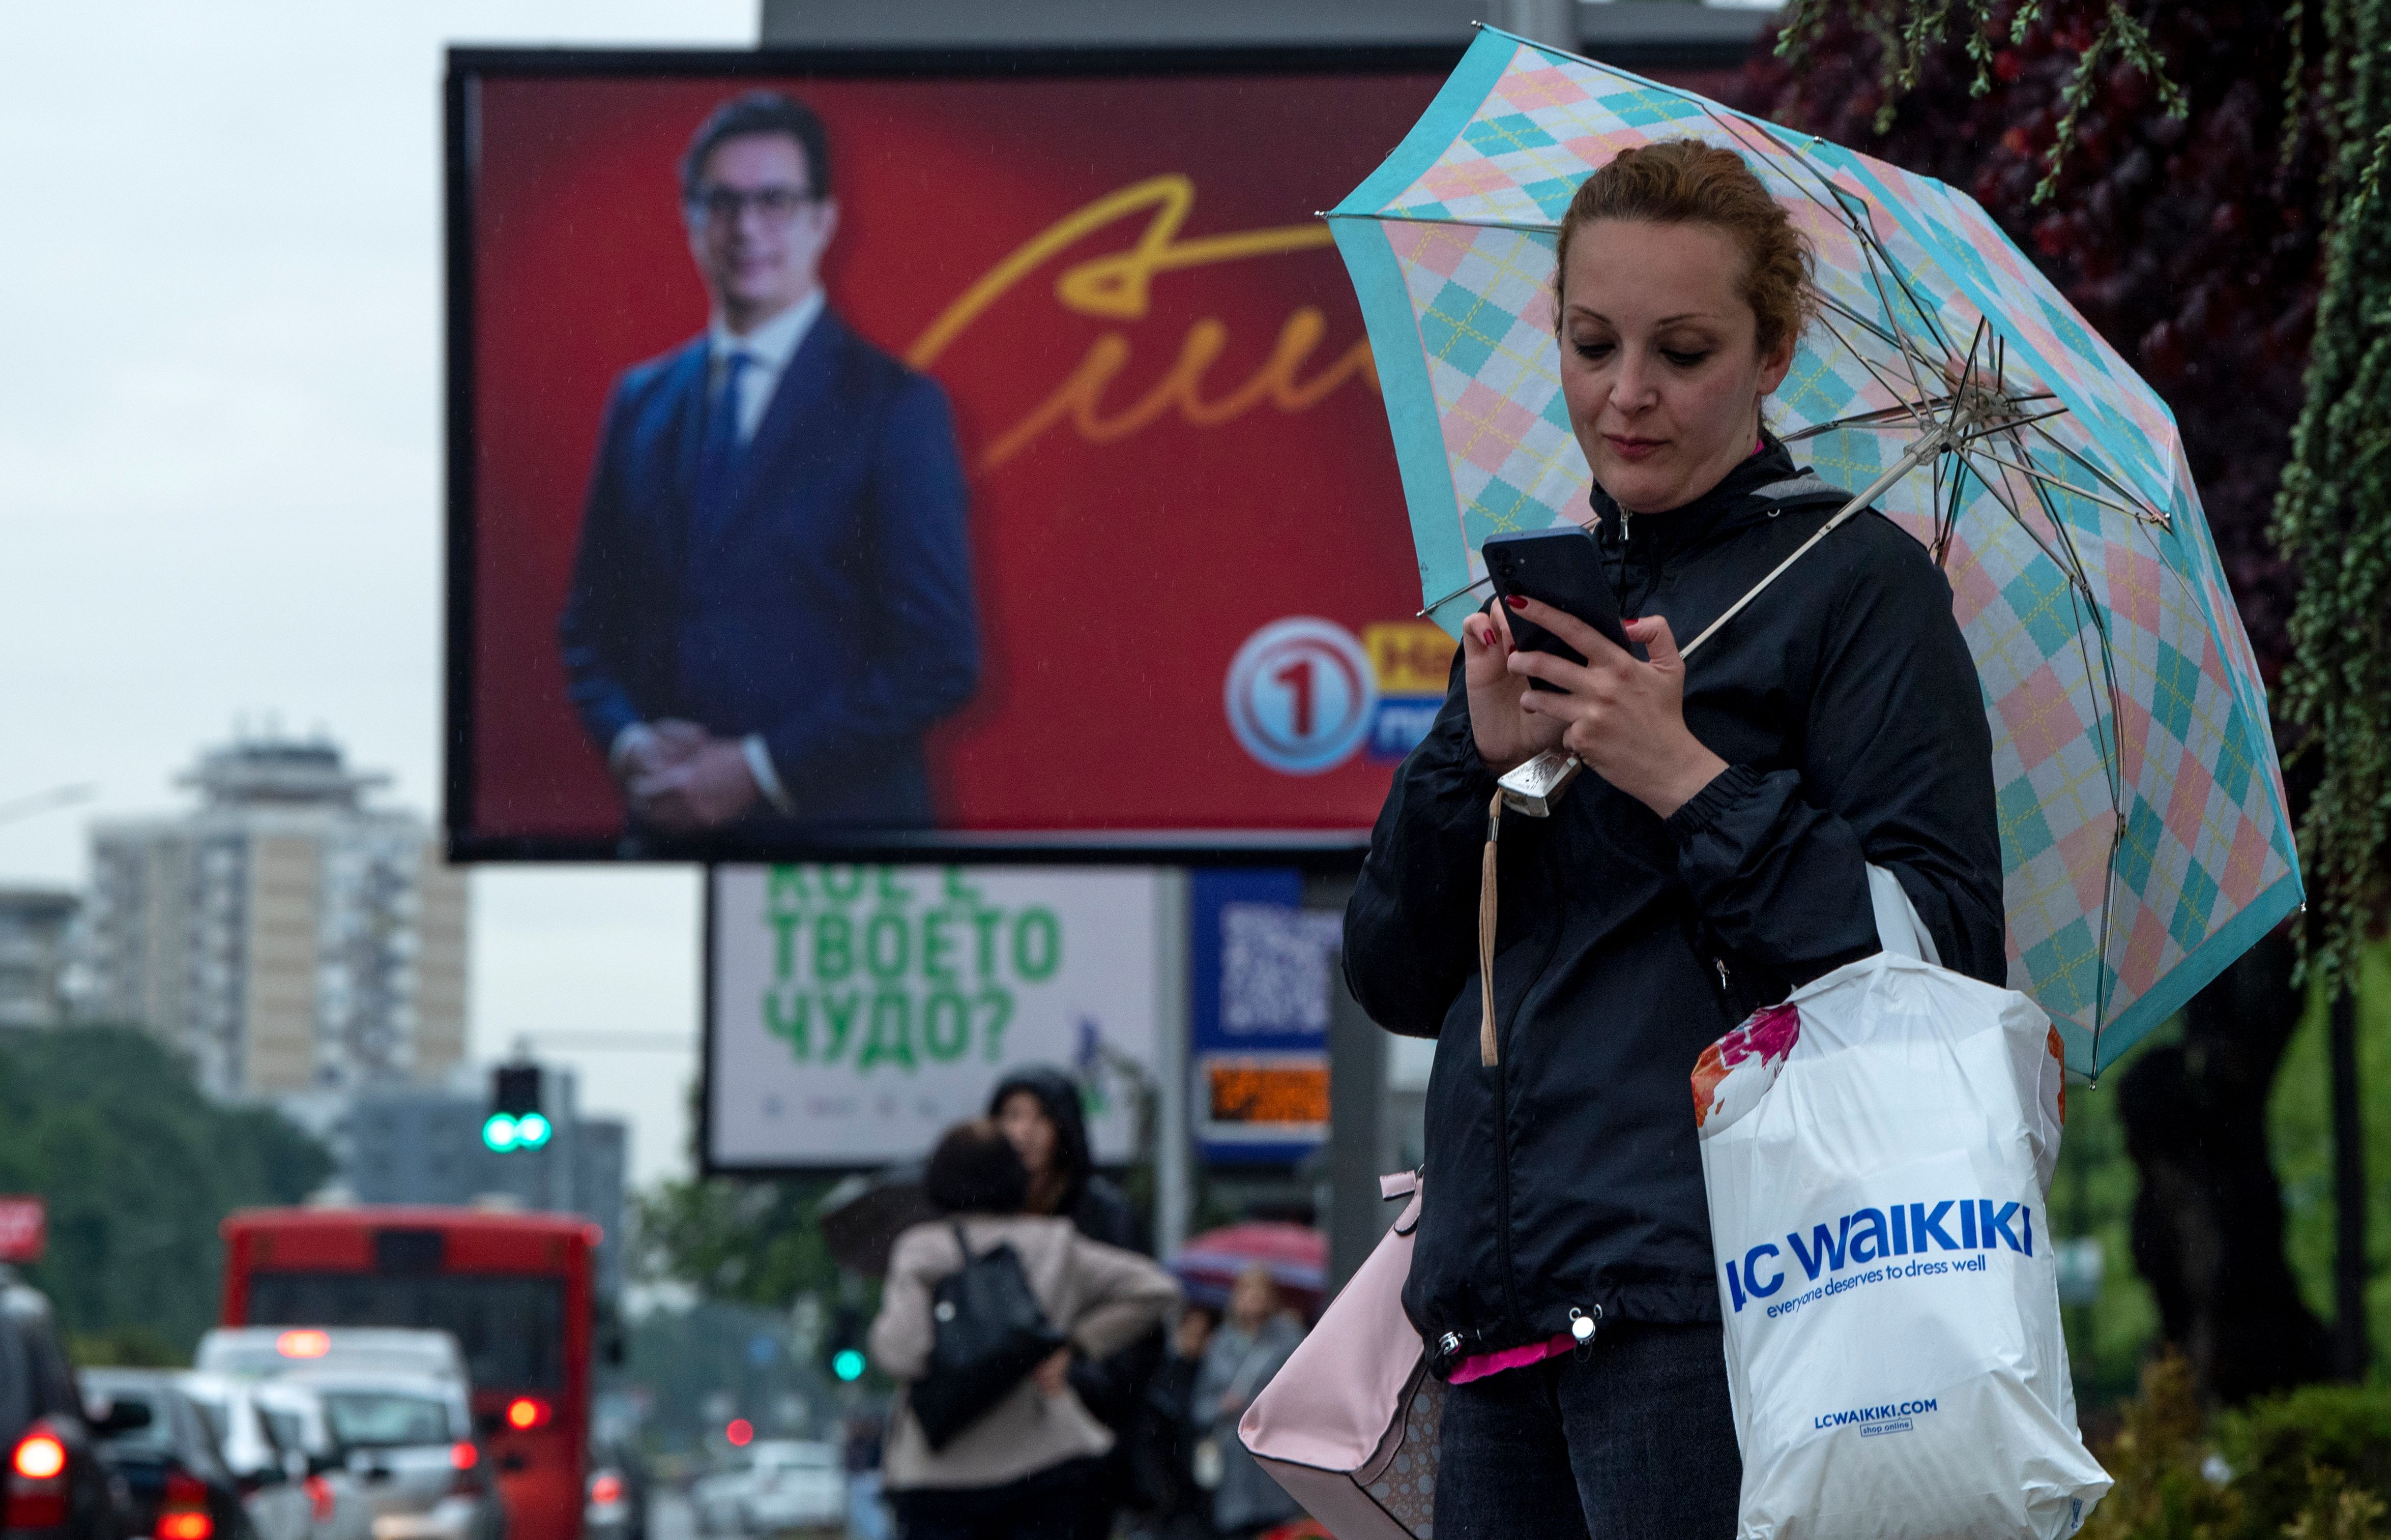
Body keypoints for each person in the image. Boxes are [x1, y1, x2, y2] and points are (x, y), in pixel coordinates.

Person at [1342, 138, 2004, 1539]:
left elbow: (1939, 957)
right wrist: (1471, 758)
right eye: (1591, 344)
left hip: (1726, 1301)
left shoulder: (1856, 588)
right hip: (1499, 1307)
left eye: (1682, 351)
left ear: (1772, 355)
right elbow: (1393, 975)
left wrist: (1686, 777)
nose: (1625, 393)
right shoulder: (1540, 611)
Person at [558, 91, 979, 835]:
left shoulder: (895, 407)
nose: (747, 228)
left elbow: (938, 659)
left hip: (841, 852)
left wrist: (757, 769)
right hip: (666, 839)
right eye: (722, 203)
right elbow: (587, 632)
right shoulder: (640, 400)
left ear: (824, 221)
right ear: (691, 222)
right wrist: (629, 744)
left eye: (776, 202)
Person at [870, 1118, 1180, 1540]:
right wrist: (1077, 1344)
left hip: (937, 1473)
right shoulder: (1055, 1244)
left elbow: (903, 1354)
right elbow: (1157, 1290)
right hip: (1046, 1462)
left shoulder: (923, 1249)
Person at [988, 1069, 1155, 1534]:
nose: (1023, 1131)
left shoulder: (1103, 1214)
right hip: (996, 1437)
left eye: (1039, 1118)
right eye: (1012, 1116)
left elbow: (1142, 1322)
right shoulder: (981, 1216)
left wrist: (1078, 1365)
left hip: (1081, 1440)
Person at [1189, 1268, 1303, 1539]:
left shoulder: (1289, 1339)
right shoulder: (1220, 1343)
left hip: (1272, 1459)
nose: (1252, 1299)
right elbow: (1199, 1407)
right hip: (1232, 1466)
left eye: (1258, 1291)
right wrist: (1221, 1406)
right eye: (1245, 1291)